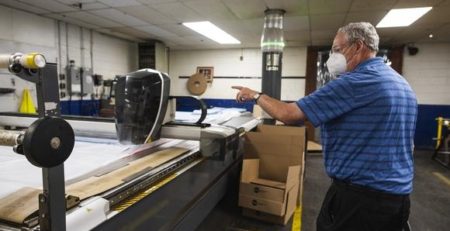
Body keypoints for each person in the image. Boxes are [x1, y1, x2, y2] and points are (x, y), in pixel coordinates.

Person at [232, 22, 417, 231]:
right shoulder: (401, 83)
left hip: (360, 198)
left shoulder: (355, 82)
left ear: (358, 46)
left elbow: (289, 115)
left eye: (337, 50)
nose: (333, 57)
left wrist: (255, 95)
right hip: (397, 197)